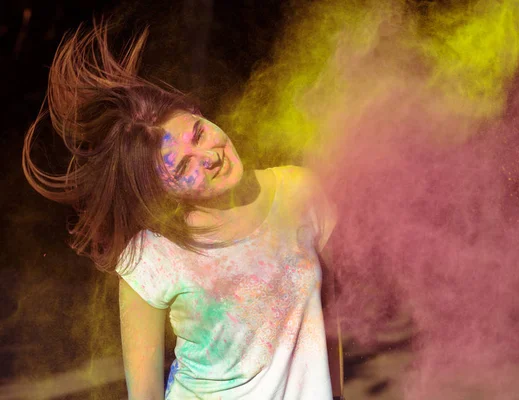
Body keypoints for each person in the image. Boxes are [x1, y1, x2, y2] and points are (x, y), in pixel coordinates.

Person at [22, 20, 344, 400]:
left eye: (199, 133)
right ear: (163, 192)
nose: (208, 157)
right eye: (181, 167)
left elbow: (332, 317)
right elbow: (143, 395)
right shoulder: (152, 255)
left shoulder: (300, 192)